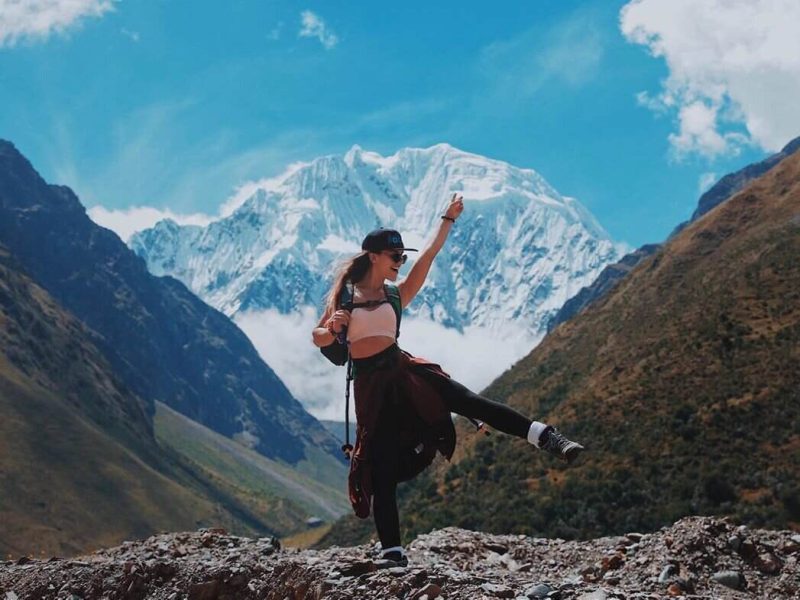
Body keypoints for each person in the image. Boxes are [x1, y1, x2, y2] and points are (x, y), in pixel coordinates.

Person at [311, 193, 584, 567]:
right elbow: (320, 338)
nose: (400, 263)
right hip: (373, 390)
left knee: (467, 400)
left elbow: (430, 255)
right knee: (380, 470)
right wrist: (332, 330)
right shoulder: (345, 297)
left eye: (402, 257)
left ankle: (546, 437)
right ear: (373, 256)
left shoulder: (396, 294)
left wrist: (447, 219)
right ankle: (393, 552)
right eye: (395, 257)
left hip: (404, 373)